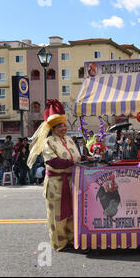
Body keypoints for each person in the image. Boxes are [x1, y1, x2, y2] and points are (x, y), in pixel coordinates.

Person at [27, 99, 93, 252]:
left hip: (71, 182)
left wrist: (84, 159)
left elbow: (74, 157)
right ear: (53, 128)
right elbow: (53, 162)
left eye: (64, 125)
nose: (64, 128)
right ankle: (59, 243)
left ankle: (71, 240)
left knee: (71, 213)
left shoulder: (69, 140)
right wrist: (73, 164)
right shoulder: (48, 142)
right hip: (56, 184)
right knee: (57, 215)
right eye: (60, 126)